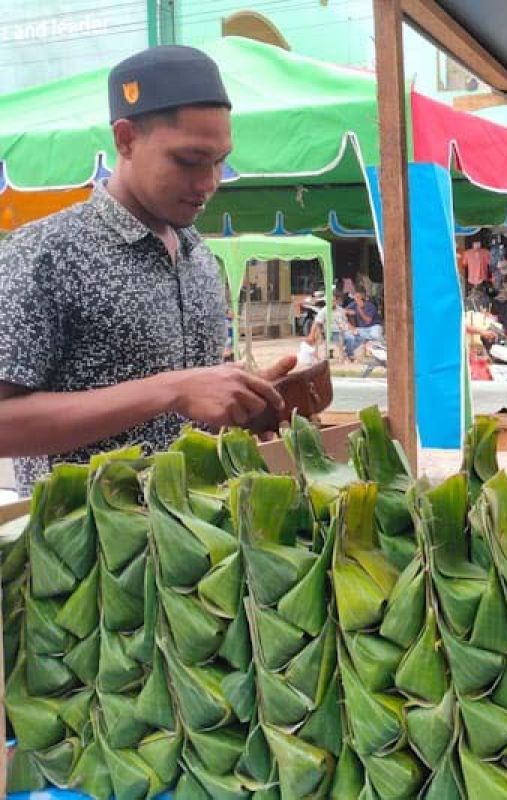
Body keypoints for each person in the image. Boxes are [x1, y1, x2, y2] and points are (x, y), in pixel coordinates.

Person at [0, 45, 295, 497]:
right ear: (125, 139)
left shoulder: (198, 257)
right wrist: (172, 389)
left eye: (219, 161)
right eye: (188, 161)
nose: (208, 183)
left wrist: (241, 400)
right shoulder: (44, 253)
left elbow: (190, 410)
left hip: (196, 541)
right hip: (86, 556)